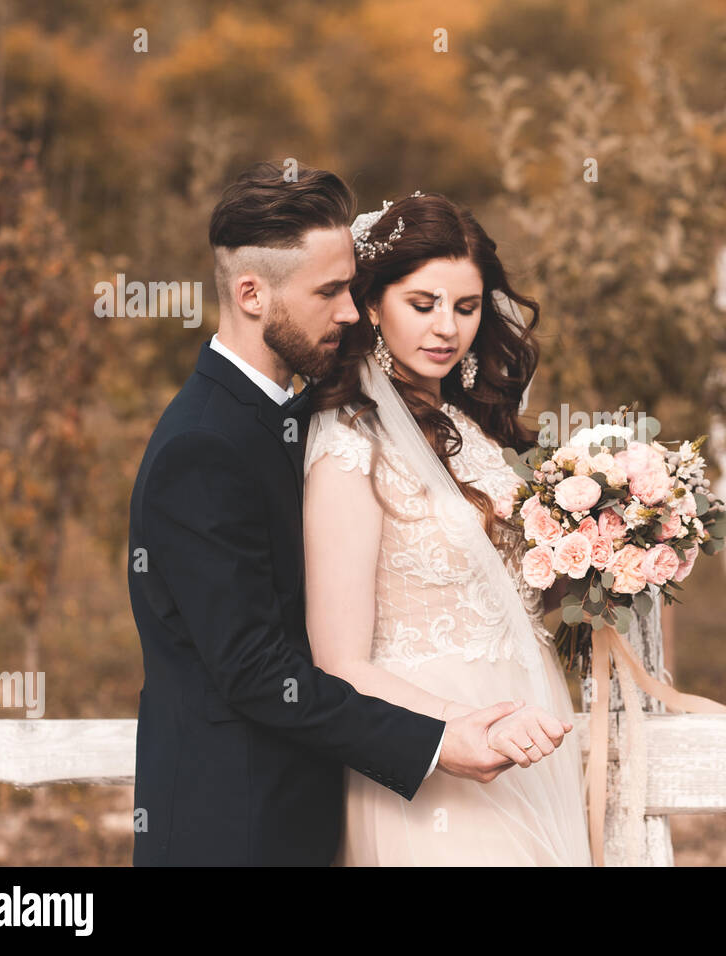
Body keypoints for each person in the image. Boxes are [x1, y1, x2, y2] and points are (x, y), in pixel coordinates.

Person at [127, 162, 533, 866]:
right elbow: (255, 670)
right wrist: (435, 740)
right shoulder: (201, 445)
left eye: (351, 286)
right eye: (330, 291)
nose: (351, 311)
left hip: (313, 812)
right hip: (235, 829)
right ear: (251, 294)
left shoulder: (292, 416)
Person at [303, 188, 593, 865]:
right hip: (434, 753)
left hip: (528, 728)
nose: (446, 329)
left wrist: (612, 552)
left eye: (465, 308)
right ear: (372, 304)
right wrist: (455, 728)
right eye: (423, 304)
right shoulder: (350, 446)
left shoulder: (473, 430)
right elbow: (338, 663)